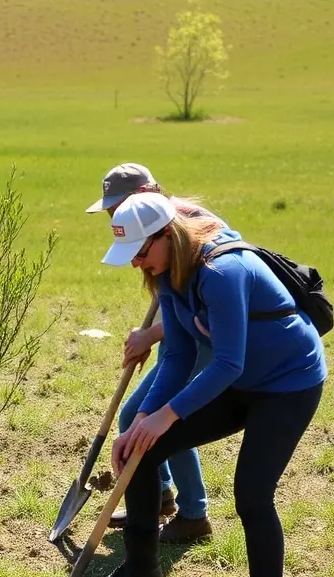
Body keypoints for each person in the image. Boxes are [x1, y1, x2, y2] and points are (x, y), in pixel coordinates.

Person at [82, 192, 326, 577]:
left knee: (252, 494)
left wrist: (164, 416)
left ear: (164, 236)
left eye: (139, 251)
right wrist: (143, 424)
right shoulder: (168, 276)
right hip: (240, 380)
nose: (136, 263)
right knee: (145, 449)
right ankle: (140, 572)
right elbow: (178, 355)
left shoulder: (221, 272)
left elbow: (228, 363)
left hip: (288, 383)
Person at [87, 163, 216, 541]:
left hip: (205, 344)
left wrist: (153, 335)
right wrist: (155, 334)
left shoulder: (187, 225)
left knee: (165, 423)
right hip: (181, 342)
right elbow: (174, 303)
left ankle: (194, 515)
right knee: (134, 416)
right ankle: (156, 497)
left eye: (117, 205)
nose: (113, 215)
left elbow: (205, 311)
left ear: (145, 196)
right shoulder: (145, 233)